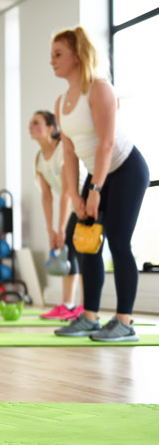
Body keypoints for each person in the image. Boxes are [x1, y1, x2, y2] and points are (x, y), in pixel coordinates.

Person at [50, 27, 149, 342]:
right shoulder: (62, 102)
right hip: (96, 175)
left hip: (126, 170)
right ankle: (90, 317)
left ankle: (124, 322)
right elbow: (68, 153)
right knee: (85, 242)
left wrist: (95, 190)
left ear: (77, 56)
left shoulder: (100, 89)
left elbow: (106, 143)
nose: (51, 61)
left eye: (58, 55)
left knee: (118, 242)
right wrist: (77, 196)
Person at [29, 110, 85, 321]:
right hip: (71, 206)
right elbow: (46, 196)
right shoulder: (40, 158)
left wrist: (60, 228)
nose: (31, 126)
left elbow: (69, 192)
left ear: (51, 128)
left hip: (83, 201)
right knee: (68, 254)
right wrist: (50, 230)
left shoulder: (62, 149)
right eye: (30, 123)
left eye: (36, 123)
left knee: (80, 254)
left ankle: (85, 307)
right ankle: (68, 305)